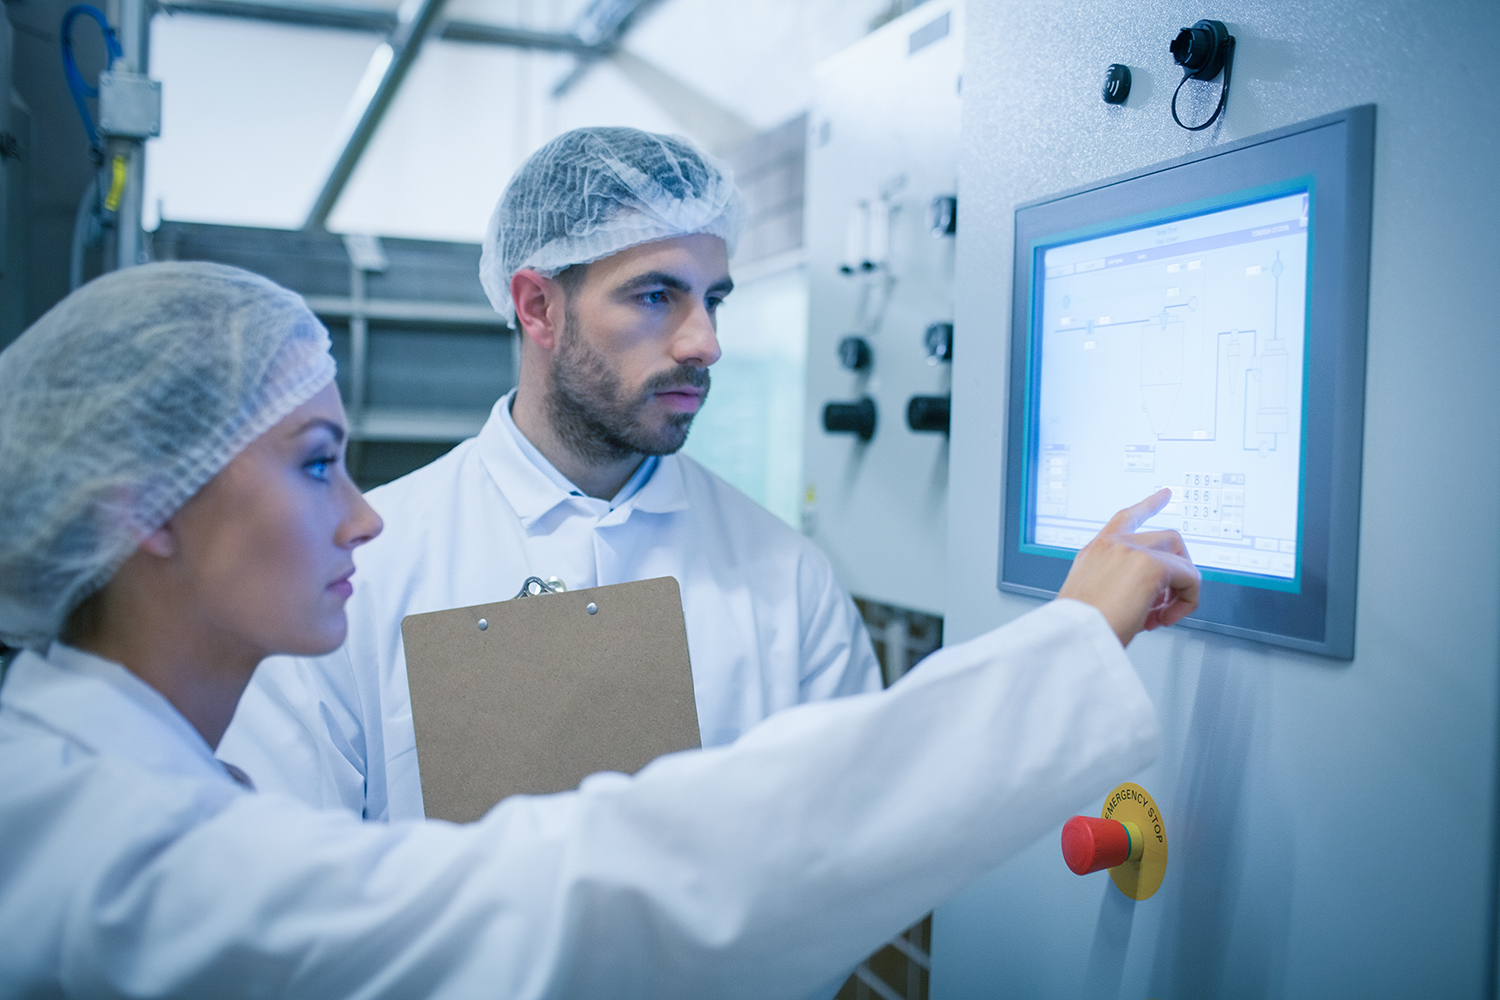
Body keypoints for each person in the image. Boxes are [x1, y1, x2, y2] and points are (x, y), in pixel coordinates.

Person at [0, 263, 1198, 999]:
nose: (362, 517)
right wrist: (1063, 651)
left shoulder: (83, 781)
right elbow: (585, 892)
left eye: (716, 296)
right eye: (316, 463)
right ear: (135, 511)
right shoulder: (117, 862)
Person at [218, 128, 883, 819]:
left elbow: (845, 836)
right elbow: (287, 855)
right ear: (538, 307)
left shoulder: (788, 581)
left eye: (713, 301)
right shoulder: (360, 574)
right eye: (657, 296)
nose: (705, 343)